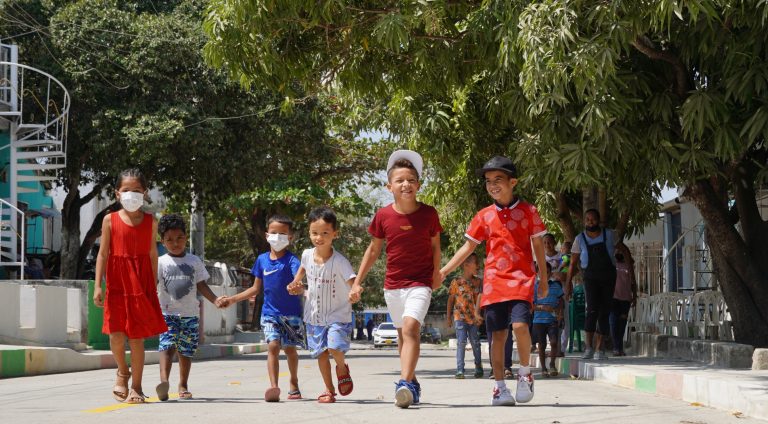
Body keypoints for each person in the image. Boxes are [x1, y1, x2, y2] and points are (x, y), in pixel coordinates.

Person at [440, 156, 548, 407]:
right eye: (488, 181)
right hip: (494, 283)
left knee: (520, 327)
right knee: (497, 337)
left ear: (513, 182)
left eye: (498, 180)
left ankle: (524, 374)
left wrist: (543, 278)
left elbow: (538, 245)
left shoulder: (529, 211)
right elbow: (469, 246)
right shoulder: (484, 216)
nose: (492, 185)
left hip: (522, 279)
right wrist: (444, 271)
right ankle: (500, 388)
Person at [349, 150, 442, 409]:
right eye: (400, 180)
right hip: (393, 286)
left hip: (420, 282)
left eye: (411, 180)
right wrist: (357, 281)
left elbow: (436, 246)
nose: (406, 184)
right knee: (402, 335)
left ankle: (403, 383)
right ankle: (411, 382)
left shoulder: (429, 213)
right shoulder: (383, 216)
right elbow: (373, 250)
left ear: (418, 185)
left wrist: (437, 272)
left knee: (411, 328)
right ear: (389, 186)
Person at [93, 168, 168, 404]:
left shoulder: (150, 221)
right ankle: (122, 372)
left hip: (141, 282)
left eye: (137, 190)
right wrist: (98, 285)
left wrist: (153, 283)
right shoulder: (109, 220)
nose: (131, 194)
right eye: (126, 190)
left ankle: (136, 387)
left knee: (136, 338)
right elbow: (103, 254)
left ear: (145, 193)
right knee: (116, 336)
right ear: (117, 193)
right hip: (116, 281)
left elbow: (152, 253)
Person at [219, 215, 303, 402]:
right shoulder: (262, 260)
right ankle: (274, 387)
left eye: (283, 234)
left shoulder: (292, 261)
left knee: (290, 349)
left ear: (290, 237)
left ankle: (294, 382)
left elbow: (299, 281)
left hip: (291, 315)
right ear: (267, 235)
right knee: (273, 345)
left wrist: (298, 286)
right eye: (274, 233)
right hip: (269, 313)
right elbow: (255, 288)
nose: (278, 237)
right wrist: (232, 299)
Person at [287, 206, 356, 404]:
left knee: (334, 348)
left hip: (338, 315)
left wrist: (354, 291)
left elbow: (353, 281)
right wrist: (295, 283)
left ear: (335, 234)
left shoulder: (340, 261)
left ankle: (341, 368)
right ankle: (329, 389)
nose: (319, 237)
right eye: (314, 233)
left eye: (325, 233)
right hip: (314, 316)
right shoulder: (307, 254)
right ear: (309, 232)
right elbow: (301, 270)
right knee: (321, 354)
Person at [154, 214, 224, 401]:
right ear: (162, 241)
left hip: (190, 315)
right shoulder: (160, 262)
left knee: (186, 351)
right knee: (167, 346)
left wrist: (215, 300)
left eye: (179, 238)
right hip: (166, 313)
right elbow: (151, 286)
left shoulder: (194, 261)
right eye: (169, 240)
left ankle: (183, 385)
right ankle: (164, 382)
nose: (175, 243)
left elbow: (202, 286)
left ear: (185, 237)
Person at [566, 209, 617, 361]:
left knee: (604, 312)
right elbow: (573, 263)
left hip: (608, 277)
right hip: (590, 278)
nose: (590, 222)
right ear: (584, 221)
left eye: (593, 219)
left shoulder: (610, 235)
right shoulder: (579, 239)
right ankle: (588, 347)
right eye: (587, 219)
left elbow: (624, 251)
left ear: (598, 220)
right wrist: (568, 283)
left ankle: (599, 349)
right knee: (592, 310)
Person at [446, 253, 483, 379]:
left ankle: (478, 367)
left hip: (474, 318)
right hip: (459, 317)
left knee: (475, 343)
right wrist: (448, 318)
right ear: (466, 265)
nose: (477, 265)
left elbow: (480, 299)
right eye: (475, 262)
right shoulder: (456, 282)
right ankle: (460, 370)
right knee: (461, 343)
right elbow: (450, 300)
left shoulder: (478, 282)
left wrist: (479, 315)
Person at [532, 263, 565, 377]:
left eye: (547, 271)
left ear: (550, 273)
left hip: (552, 319)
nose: (544, 274)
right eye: (541, 271)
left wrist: (560, 313)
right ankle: (543, 369)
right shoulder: (534, 287)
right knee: (541, 344)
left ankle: (552, 364)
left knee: (554, 342)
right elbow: (530, 305)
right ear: (537, 273)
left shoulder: (556, 285)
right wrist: (542, 307)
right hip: (539, 320)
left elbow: (561, 300)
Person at [610, 243, 637, 356]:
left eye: (621, 251)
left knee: (622, 324)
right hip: (613, 298)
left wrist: (634, 296)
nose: (619, 253)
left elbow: (633, 282)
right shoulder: (611, 264)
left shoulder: (629, 266)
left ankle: (619, 347)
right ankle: (616, 347)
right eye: (617, 251)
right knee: (614, 323)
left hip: (625, 299)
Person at [558, 241, 573, 356]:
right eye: (563, 248)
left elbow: (566, 263)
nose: (563, 250)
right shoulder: (563, 257)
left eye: (565, 248)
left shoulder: (567, 258)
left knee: (564, 319)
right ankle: (558, 347)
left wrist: (559, 269)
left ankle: (561, 348)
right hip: (559, 288)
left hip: (563, 287)